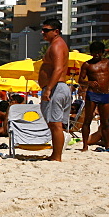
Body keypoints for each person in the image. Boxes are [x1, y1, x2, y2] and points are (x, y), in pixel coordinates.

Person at [79, 41, 109, 151]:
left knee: (105, 122)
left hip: (104, 94)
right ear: (91, 53)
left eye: (99, 52)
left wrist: (108, 50)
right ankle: (85, 146)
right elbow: (80, 80)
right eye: (95, 53)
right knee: (87, 120)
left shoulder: (107, 62)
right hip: (92, 94)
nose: (97, 55)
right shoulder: (87, 64)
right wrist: (88, 83)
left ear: (102, 52)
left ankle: (107, 145)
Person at [38, 19, 70, 161]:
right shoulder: (57, 45)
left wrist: (48, 89)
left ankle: (57, 156)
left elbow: (58, 69)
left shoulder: (57, 45)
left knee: (55, 124)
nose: (42, 33)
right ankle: (55, 155)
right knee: (54, 123)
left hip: (56, 87)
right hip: (57, 87)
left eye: (46, 30)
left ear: (56, 32)